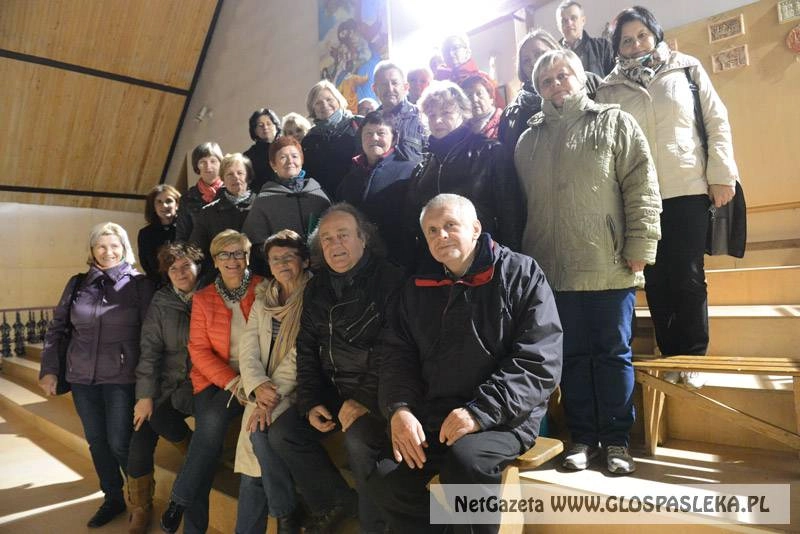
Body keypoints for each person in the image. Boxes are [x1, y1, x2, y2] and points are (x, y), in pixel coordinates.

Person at [368, 194, 563, 534]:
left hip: (503, 416)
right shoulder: (416, 287)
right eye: (431, 230)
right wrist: (399, 409)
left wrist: (479, 412)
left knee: (466, 463)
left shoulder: (521, 273)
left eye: (449, 225)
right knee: (388, 475)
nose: (440, 236)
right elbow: (397, 356)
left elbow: (538, 361)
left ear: (475, 228)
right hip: (436, 413)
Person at [516, 49, 662, 474]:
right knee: (571, 358)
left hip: (609, 265)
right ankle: (582, 438)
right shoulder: (527, 141)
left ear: (581, 78)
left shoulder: (615, 122)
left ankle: (616, 441)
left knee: (613, 355)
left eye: (563, 75)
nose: (556, 85)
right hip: (551, 273)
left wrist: (641, 244)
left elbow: (642, 186)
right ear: (538, 89)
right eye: (546, 81)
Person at [596, 6, 739, 387]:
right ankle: (670, 352)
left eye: (642, 35)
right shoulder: (608, 88)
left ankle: (694, 356)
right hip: (638, 196)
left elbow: (716, 121)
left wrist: (721, 174)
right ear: (617, 47)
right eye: (627, 40)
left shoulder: (686, 68)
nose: (636, 44)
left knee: (688, 273)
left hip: (687, 187)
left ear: (655, 33)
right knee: (656, 279)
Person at [268, 204, 405, 534]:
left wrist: (363, 400)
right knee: (282, 432)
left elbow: (394, 352)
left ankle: (374, 527)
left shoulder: (391, 281)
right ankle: (336, 500)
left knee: (358, 439)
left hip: (378, 393)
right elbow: (306, 347)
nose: (334, 245)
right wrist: (311, 400)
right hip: (333, 391)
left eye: (343, 235)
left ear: (363, 238)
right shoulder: (317, 287)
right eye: (327, 238)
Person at [39, 222, 154, 528]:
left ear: (125, 248)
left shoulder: (139, 285)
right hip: (81, 377)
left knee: (120, 442)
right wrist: (50, 370)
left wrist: (148, 385)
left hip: (121, 377)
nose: (108, 252)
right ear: (92, 250)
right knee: (96, 441)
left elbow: (150, 337)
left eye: (114, 245)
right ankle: (112, 498)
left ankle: (140, 503)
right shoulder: (78, 283)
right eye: (101, 246)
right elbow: (57, 328)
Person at [160, 230, 263, 534]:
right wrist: (232, 382)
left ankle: (180, 501)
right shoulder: (204, 298)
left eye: (238, 253)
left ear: (247, 257)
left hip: (254, 374)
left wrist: (247, 381)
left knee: (210, 425)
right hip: (212, 377)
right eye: (224, 254)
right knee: (209, 430)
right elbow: (199, 351)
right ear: (215, 261)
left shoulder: (263, 289)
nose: (232, 260)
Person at [237, 230, 312, 534]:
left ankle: (284, 513)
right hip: (262, 388)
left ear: (304, 261)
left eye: (288, 257)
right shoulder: (264, 298)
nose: (281, 263)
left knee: (256, 436)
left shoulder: (313, 297)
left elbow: (301, 355)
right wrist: (257, 385)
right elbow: (248, 347)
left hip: (296, 389)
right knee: (254, 452)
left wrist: (269, 395)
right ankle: (286, 514)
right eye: (275, 259)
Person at [126, 242, 202, 534]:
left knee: (160, 418)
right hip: (167, 382)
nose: (180, 273)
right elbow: (150, 351)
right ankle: (140, 507)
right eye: (173, 269)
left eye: (186, 266)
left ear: (197, 266)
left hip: (202, 382)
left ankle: (199, 452)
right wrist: (145, 395)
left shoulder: (212, 295)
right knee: (140, 431)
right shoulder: (161, 301)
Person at [405, 81, 522, 269]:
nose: (438, 120)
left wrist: (510, 265)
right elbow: (414, 221)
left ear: (462, 112)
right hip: (437, 265)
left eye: (446, 113)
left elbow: (510, 216)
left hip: (483, 260)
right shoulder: (424, 165)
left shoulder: (489, 152)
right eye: (432, 115)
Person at [336, 111, 418, 266]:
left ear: (394, 138)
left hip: (397, 258)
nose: (374, 138)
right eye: (368, 133)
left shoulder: (409, 171)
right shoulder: (351, 177)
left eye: (381, 133)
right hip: (358, 259)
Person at [242, 136, 331, 276]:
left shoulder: (319, 194)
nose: (290, 161)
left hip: (323, 270)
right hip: (285, 274)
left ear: (301, 160)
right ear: (273, 165)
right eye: (283, 157)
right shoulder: (264, 200)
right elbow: (255, 243)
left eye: (295, 156)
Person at [189, 153, 256, 274]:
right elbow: (196, 251)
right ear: (223, 179)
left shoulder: (261, 206)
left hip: (257, 274)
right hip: (221, 276)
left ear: (248, 176)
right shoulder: (207, 213)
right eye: (230, 174)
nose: (235, 177)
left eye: (240, 173)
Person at [498, 29, 561, 149]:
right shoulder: (512, 114)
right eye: (526, 61)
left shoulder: (585, 83)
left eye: (539, 54)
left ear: (556, 51)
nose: (533, 63)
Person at [301, 80, 361, 198]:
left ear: (338, 100)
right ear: (312, 109)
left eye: (329, 99)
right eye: (318, 102)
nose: (324, 105)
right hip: (322, 199)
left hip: (355, 197)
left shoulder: (358, 125)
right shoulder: (309, 139)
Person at [371, 60, 427, 163]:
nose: (390, 89)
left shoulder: (421, 117)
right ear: (374, 89)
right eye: (383, 84)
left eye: (395, 83)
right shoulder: (369, 122)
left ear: (405, 87)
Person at [175, 142, 225, 241]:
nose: (208, 166)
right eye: (202, 162)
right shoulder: (187, 198)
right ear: (196, 165)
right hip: (197, 250)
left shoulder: (230, 192)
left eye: (213, 161)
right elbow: (182, 237)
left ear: (221, 163)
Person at [556, 1, 615, 77]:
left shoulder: (603, 47)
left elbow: (615, 79)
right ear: (558, 26)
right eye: (564, 20)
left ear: (583, 21)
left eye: (573, 18)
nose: (569, 23)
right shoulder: (553, 56)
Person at [137, 184, 181, 286]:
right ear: (153, 207)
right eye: (159, 202)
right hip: (159, 287)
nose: (164, 205)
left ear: (177, 204)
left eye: (169, 201)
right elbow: (146, 265)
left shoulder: (187, 228)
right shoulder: (145, 234)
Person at [243, 108, 282, 194]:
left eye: (269, 124)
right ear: (254, 130)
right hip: (262, 196)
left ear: (276, 126)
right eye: (260, 125)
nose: (265, 127)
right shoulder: (248, 156)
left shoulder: (286, 148)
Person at [460, 73, 502, 139]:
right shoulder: (462, 129)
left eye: (479, 94)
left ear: (491, 97)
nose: (474, 99)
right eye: (469, 95)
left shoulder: (504, 122)